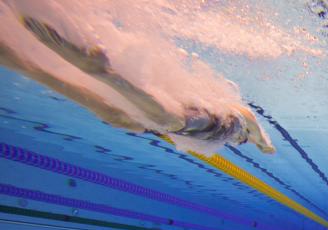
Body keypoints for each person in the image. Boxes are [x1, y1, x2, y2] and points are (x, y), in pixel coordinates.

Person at [0, 12, 274, 155]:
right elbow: (258, 133)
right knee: (168, 121)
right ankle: (103, 73)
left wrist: (263, 145)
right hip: (189, 125)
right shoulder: (237, 121)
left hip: (175, 124)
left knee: (119, 118)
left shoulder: (221, 116)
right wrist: (262, 143)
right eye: (243, 141)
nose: (242, 141)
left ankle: (21, 62)